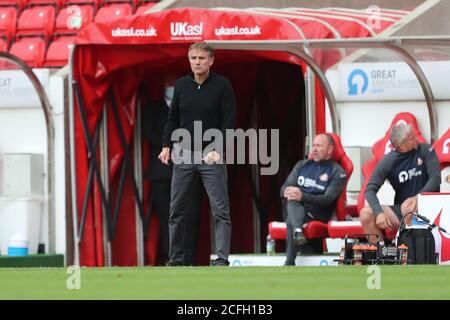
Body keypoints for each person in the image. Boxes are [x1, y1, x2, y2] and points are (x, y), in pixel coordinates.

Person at [159, 42, 236, 266]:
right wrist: (166, 145)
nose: (197, 62)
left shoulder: (223, 85)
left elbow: (229, 122)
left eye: (201, 58)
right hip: (183, 155)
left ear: (211, 60)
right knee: (177, 210)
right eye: (193, 58)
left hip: (211, 155)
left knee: (220, 210)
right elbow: (172, 118)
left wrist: (218, 149)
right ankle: (176, 260)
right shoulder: (182, 85)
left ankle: (221, 259)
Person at [141, 79, 201, 265]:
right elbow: (147, 131)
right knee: (166, 216)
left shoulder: (189, 108)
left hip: (187, 168)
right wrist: (169, 145)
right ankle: (172, 258)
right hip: (162, 171)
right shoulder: (152, 108)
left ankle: (188, 258)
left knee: (189, 216)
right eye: (168, 82)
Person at [360, 123, 441, 244]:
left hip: (429, 206)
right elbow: (370, 190)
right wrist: (379, 213)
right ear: (402, 146)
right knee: (366, 214)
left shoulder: (425, 149)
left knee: (407, 207)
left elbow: (436, 179)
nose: (417, 140)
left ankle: (411, 254)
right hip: (402, 210)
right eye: (412, 139)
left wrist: (419, 197)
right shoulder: (389, 161)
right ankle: (381, 253)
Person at [281, 133, 347, 266]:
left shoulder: (337, 171)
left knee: (291, 217)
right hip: (297, 209)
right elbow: (283, 189)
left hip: (318, 213)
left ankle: (290, 259)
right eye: (313, 145)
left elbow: (328, 199)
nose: (314, 150)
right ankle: (297, 233)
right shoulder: (302, 165)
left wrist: (303, 196)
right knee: (292, 200)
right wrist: (288, 192)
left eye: (319, 146)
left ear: (330, 150)